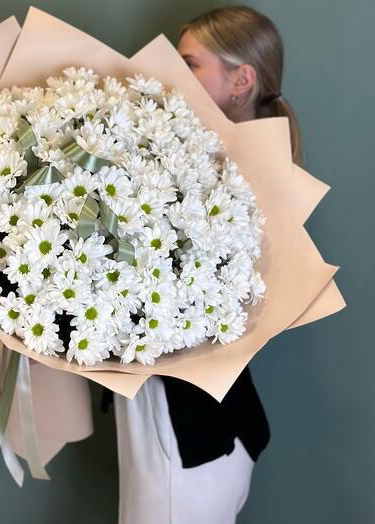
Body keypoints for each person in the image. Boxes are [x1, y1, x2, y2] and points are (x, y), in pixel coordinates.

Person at [102, 5, 305, 524]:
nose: (174, 73)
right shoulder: (192, 155)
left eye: (190, 63)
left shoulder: (252, 179)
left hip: (191, 438)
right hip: (185, 427)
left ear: (242, 80)